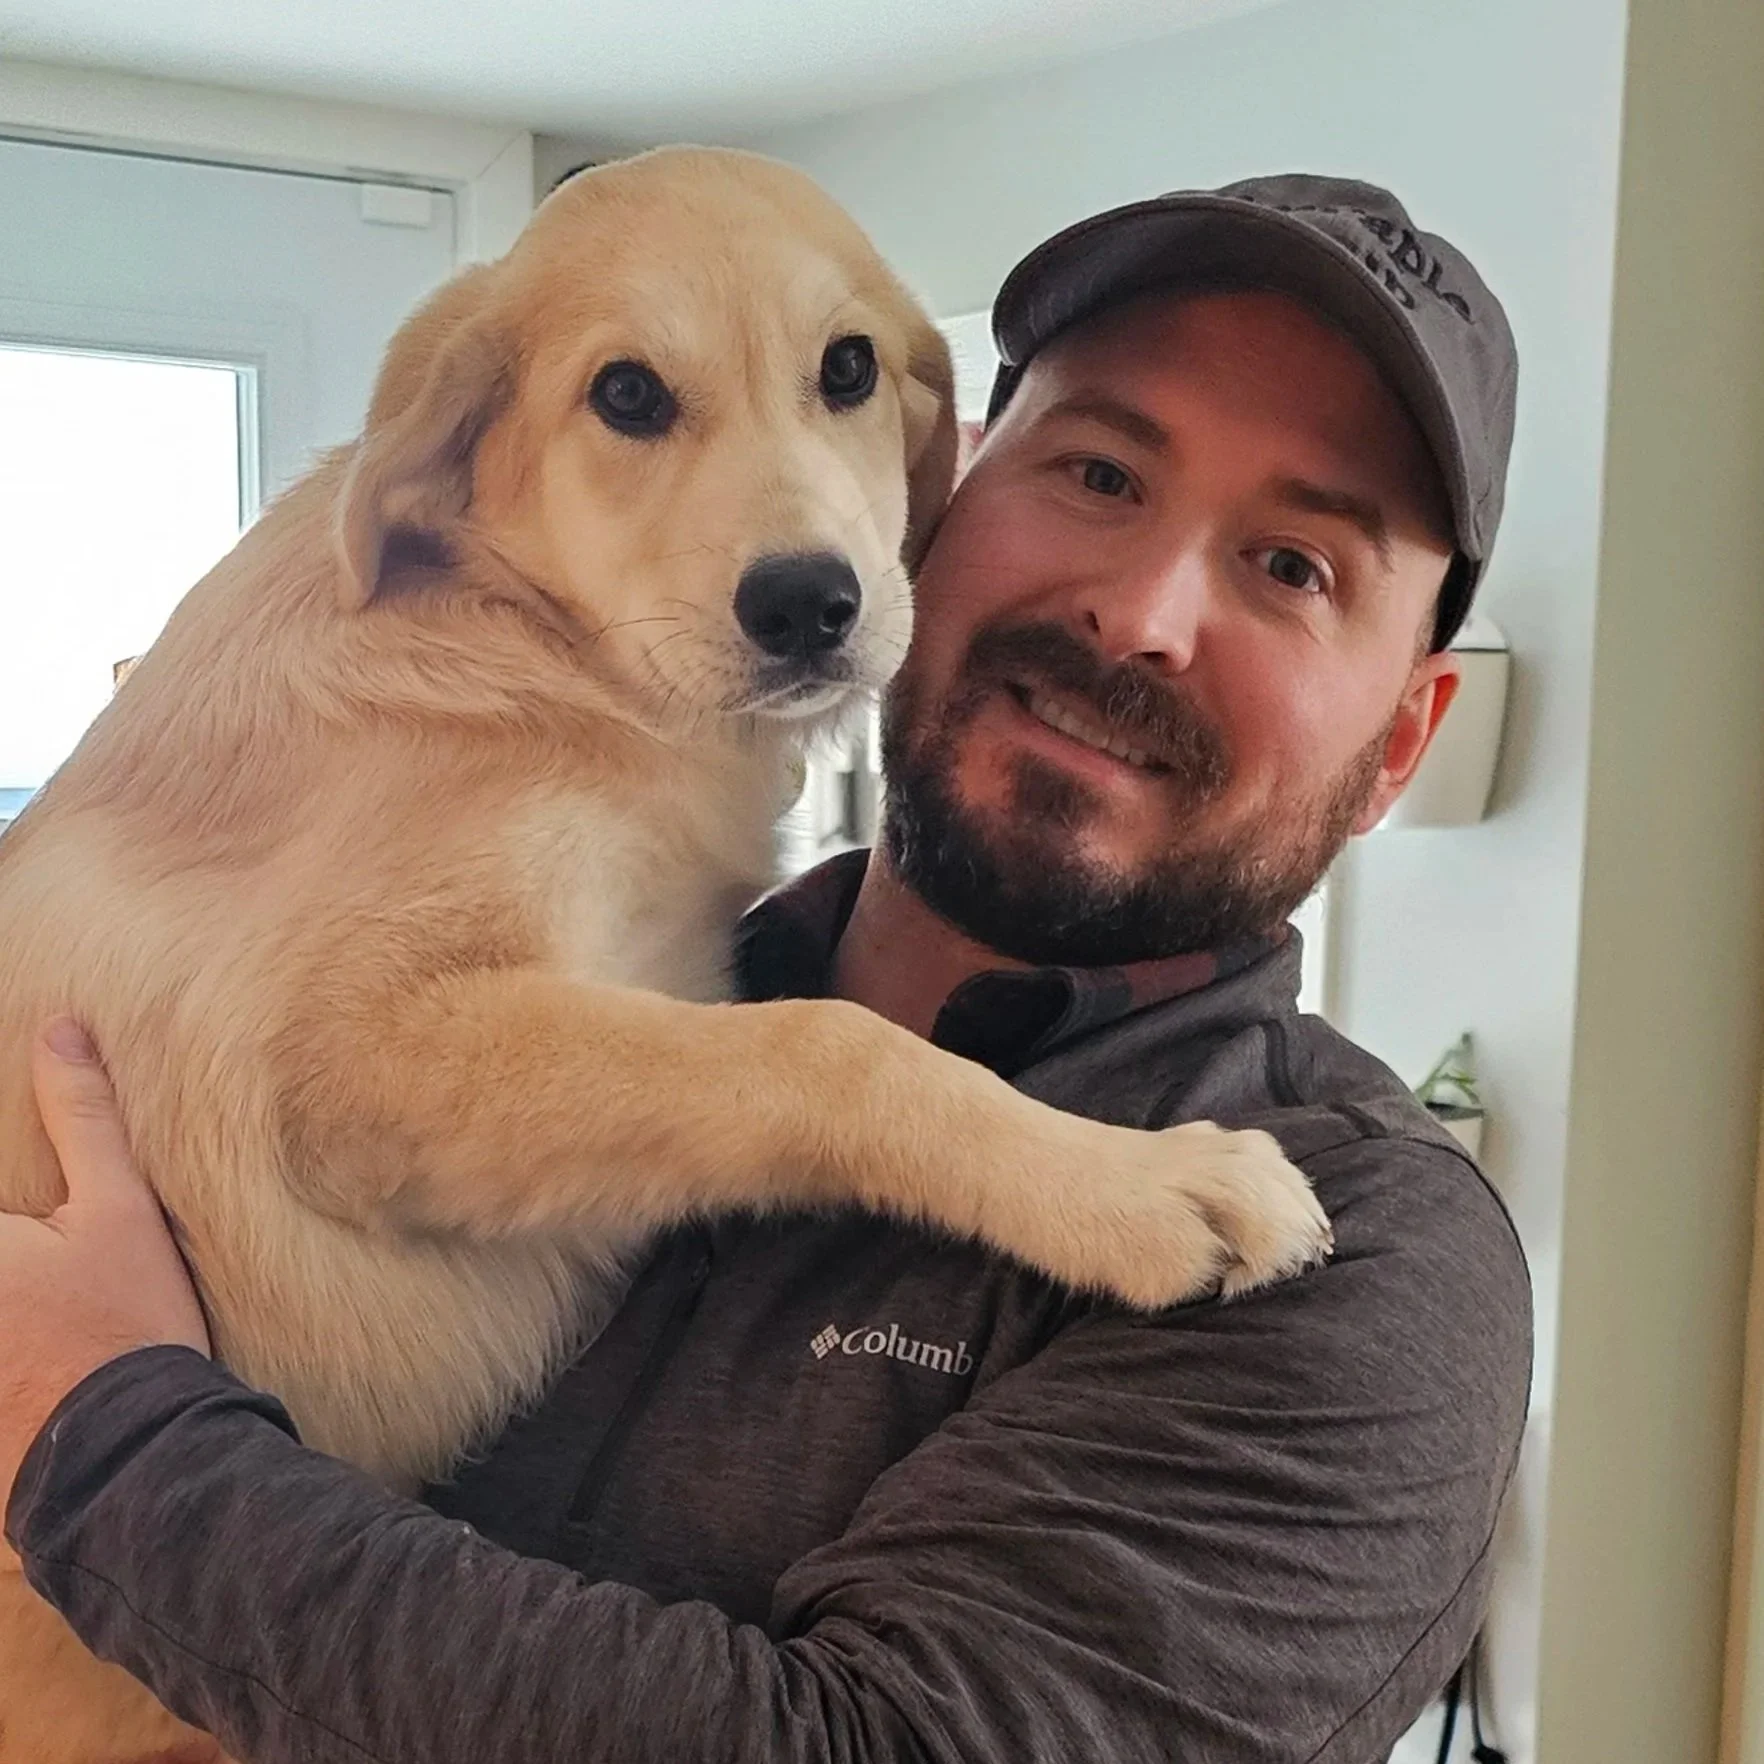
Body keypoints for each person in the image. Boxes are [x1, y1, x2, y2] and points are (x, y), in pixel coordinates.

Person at [0, 173, 1530, 1763]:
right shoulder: (680, 986)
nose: (1138, 613)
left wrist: (97, 1431)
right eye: (1096, 471)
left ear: (1403, 739)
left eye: (1295, 568)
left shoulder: (1354, 1256)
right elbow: (363, 1083)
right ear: (957, 486)